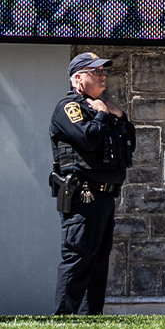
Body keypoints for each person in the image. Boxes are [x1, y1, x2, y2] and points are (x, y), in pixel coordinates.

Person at [50, 52, 136, 315]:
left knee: (98, 260)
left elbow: (128, 143)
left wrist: (119, 116)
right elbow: (87, 139)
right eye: (95, 71)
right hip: (83, 194)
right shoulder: (70, 108)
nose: (102, 76)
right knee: (79, 256)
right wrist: (101, 115)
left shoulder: (102, 107)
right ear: (77, 78)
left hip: (105, 196)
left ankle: (90, 318)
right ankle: (63, 318)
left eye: (104, 71)